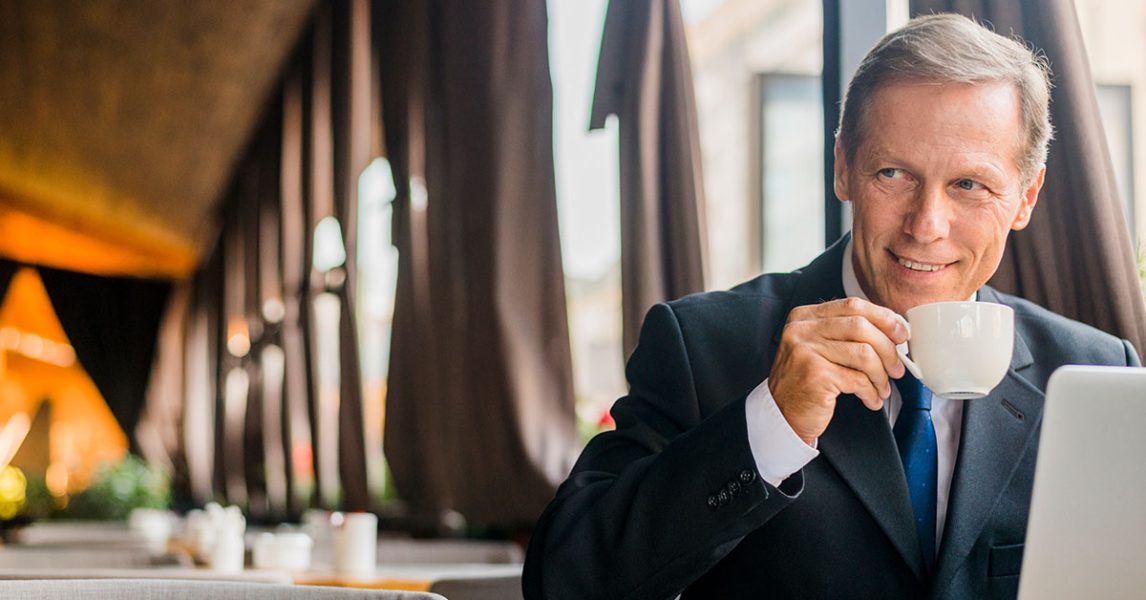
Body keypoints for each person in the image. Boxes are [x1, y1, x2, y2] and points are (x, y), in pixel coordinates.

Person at [522, 13, 1141, 600]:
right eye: (894, 174)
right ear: (843, 167)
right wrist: (771, 425)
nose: (927, 225)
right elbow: (564, 581)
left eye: (969, 185)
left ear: (1025, 197)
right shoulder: (700, 344)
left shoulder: (1093, 372)